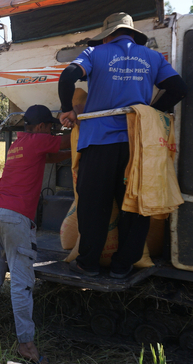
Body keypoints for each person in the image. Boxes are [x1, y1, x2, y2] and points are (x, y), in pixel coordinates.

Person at [57, 12, 187, 278]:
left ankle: (88, 264)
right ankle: (122, 266)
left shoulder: (95, 53)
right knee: (135, 206)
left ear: (107, 36)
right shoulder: (152, 57)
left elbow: (68, 76)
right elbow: (178, 88)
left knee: (93, 205)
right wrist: (150, 112)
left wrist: (65, 109)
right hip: (137, 146)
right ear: (132, 35)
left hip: (98, 143)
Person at [0, 105, 70, 364]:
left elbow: (50, 158)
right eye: (51, 127)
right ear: (41, 127)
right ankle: (26, 345)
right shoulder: (39, 139)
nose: (53, 131)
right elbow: (66, 140)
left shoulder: (19, 144)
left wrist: (72, 153)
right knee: (22, 283)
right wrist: (81, 129)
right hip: (15, 218)